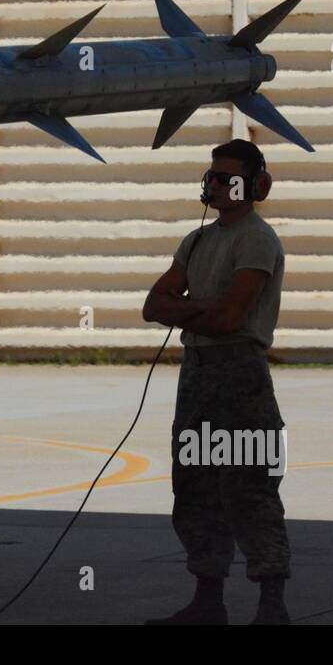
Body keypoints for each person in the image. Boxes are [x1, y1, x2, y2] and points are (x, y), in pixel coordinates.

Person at [140, 138, 291, 625]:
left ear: (255, 186)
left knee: (249, 486)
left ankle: (272, 605)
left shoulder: (257, 239)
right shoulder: (198, 240)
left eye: (228, 177)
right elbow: (152, 306)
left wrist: (190, 310)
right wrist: (204, 308)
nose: (216, 185)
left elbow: (231, 319)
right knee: (195, 486)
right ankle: (208, 600)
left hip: (239, 373)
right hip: (198, 374)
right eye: (213, 176)